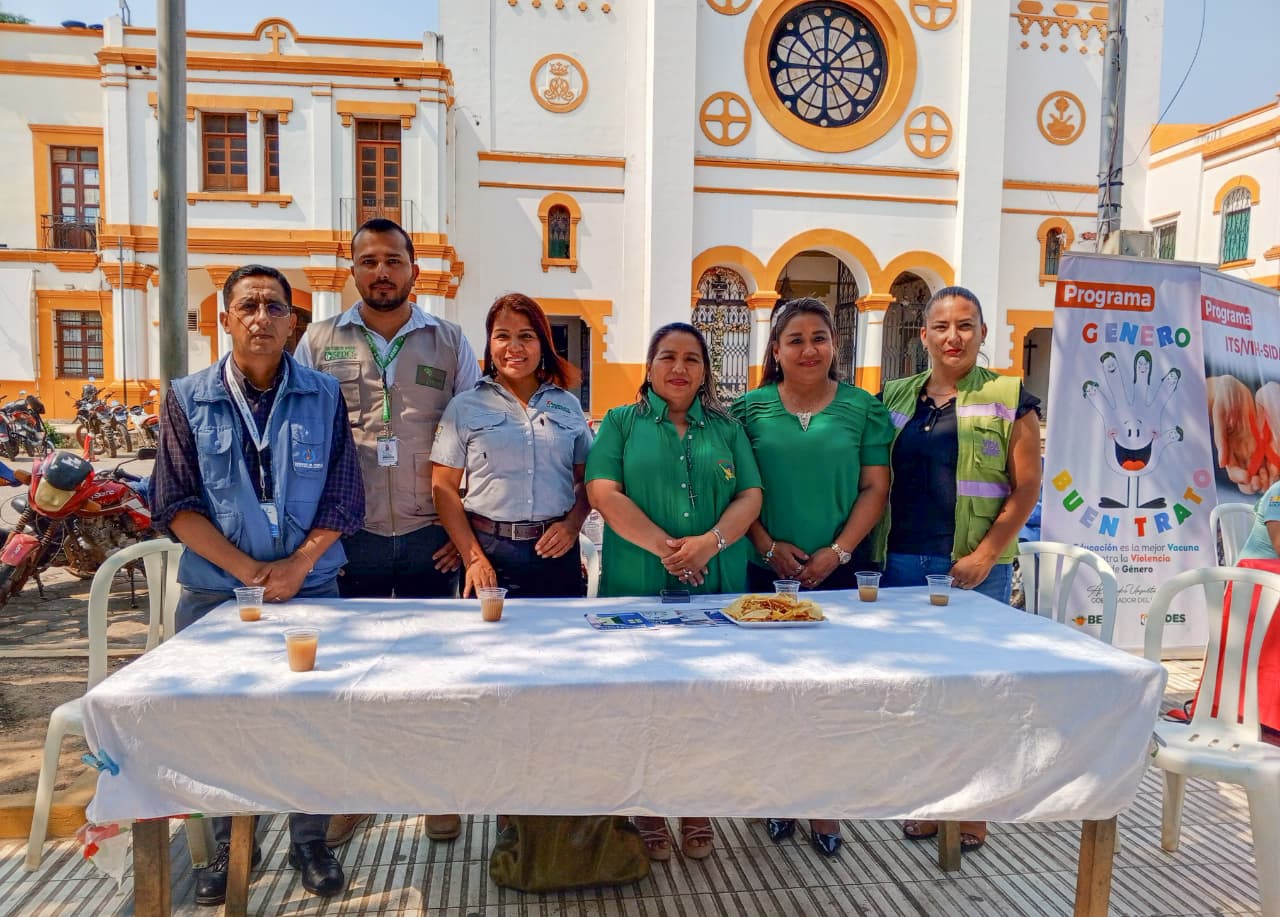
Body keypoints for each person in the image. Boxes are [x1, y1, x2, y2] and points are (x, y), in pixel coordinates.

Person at [152, 264, 364, 906]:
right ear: (224, 318)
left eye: (276, 306)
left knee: (311, 721)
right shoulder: (187, 396)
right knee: (219, 723)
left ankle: (309, 839)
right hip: (218, 596)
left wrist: (298, 566)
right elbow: (176, 503)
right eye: (248, 305)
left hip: (311, 593)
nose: (262, 317)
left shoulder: (324, 394)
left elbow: (344, 497)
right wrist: (249, 574)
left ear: (294, 321)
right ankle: (226, 841)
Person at [294, 217, 480, 847]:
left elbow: (473, 442)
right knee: (356, 677)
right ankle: (359, 795)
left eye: (393, 260)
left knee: (433, 673)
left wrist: (468, 533)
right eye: (368, 261)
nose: (381, 272)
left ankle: (435, 794)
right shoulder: (319, 342)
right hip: (354, 533)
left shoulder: (449, 343)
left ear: (413, 271)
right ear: (352, 270)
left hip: (432, 535)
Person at [874, 285, 1042, 854]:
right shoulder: (893, 395)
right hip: (900, 562)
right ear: (922, 335)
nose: (953, 337)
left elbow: (1026, 488)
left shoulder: (1009, 395)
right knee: (918, 690)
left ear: (982, 334)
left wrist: (988, 554)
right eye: (941, 326)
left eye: (965, 326)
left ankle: (972, 809)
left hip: (972, 568)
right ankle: (928, 800)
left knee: (976, 691)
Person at [585, 322, 762, 862]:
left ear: (706, 370)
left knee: (706, 700)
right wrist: (669, 549)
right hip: (637, 587)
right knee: (642, 700)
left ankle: (696, 802)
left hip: (715, 588)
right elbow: (602, 492)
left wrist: (709, 544)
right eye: (668, 356)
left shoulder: (727, 429)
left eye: (691, 358)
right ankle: (650, 805)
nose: (680, 368)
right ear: (649, 366)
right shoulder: (619, 423)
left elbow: (750, 495)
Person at [731, 297, 893, 858]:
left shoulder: (863, 409)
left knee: (833, 695)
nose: (808, 349)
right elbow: (740, 493)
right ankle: (777, 795)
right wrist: (767, 545)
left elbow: (875, 488)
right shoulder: (747, 412)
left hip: (839, 578)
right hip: (763, 573)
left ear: (835, 346)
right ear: (774, 350)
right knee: (771, 694)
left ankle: (825, 807)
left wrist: (839, 551)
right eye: (794, 339)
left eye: (819, 337)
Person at [431, 293, 592, 599]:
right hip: (490, 554)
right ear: (490, 344)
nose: (514, 348)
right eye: (502, 336)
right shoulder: (464, 407)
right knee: (488, 644)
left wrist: (572, 525)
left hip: (557, 551)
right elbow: (443, 487)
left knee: (561, 645)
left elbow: (589, 480)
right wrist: (473, 557)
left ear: (542, 344)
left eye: (526, 337)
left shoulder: (567, 405)